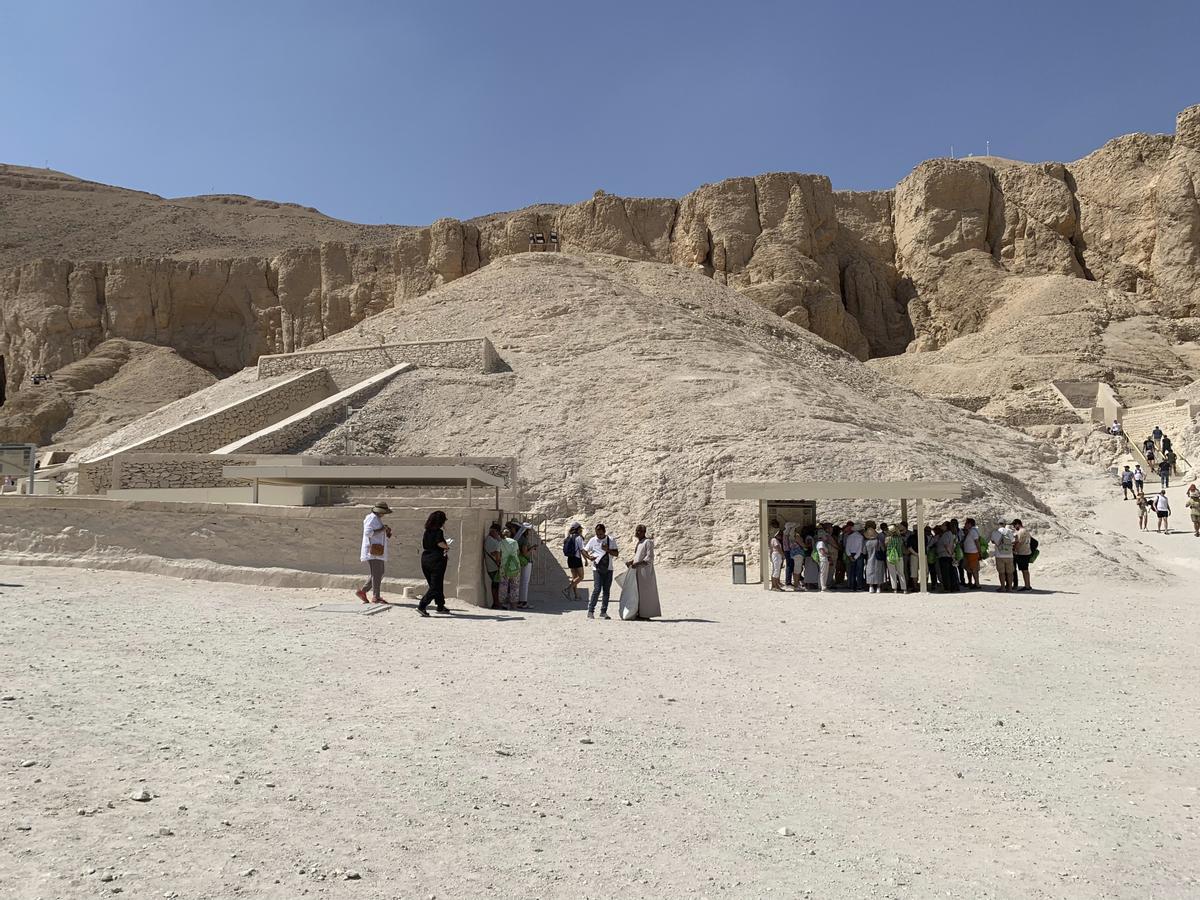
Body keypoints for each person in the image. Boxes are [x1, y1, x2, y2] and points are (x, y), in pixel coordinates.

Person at [356, 501, 393, 604]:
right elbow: (368, 533)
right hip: (372, 551)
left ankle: (363, 591)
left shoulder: (376, 519)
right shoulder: (372, 518)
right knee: (377, 573)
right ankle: (376, 596)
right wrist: (382, 529)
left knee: (378, 573)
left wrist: (386, 531)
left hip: (377, 550)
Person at [416, 510, 451, 616]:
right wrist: (447, 546)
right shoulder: (438, 532)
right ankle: (422, 606)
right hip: (436, 560)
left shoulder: (427, 531)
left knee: (436, 584)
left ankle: (440, 605)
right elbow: (439, 543)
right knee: (435, 586)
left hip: (426, 559)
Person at [624, 524, 661, 619]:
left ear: (644, 532)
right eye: (636, 531)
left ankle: (646, 614)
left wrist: (637, 564)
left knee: (645, 593)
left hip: (645, 572)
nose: (637, 533)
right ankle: (639, 613)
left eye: (639, 531)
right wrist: (631, 562)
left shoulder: (648, 542)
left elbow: (649, 558)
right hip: (637, 571)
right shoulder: (639, 543)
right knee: (638, 593)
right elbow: (638, 557)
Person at [583, 523, 619, 619]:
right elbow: (584, 550)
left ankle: (603, 611)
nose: (598, 536)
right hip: (597, 568)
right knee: (597, 589)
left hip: (608, 568)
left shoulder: (611, 540)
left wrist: (607, 550)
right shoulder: (593, 540)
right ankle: (590, 611)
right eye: (597, 534)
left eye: (600, 534)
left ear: (604, 532)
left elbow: (616, 553)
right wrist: (589, 557)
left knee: (606, 591)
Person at [512, 520, 539, 609]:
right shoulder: (523, 540)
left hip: (519, 561)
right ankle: (523, 602)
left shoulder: (518, 538)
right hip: (525, 562)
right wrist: (532, 549)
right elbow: (525, 553)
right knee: (525, 582)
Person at [496, 525, 523, 610]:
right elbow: (518, 553)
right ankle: (513, 606)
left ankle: (501, 605)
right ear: (510, 534)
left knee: (503, 586)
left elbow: (498, 555)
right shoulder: (515, 542)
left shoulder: (500, 543)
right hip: (515, 567)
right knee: (514, 587)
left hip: (504, 568)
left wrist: (499, 562)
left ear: (502, 535)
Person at [990, 520, 1016, 592]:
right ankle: (1010, 588)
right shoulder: (1009, 531)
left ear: (998, 524)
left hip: (999, 555)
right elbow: (1012, 540)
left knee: (1001, 572)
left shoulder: (995, 532)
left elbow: (992, 541)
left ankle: (1003, 587)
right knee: (1010, 572)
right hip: (1009, 555)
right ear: (1004, 524)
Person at [562, 522, 586, 601]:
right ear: (578, 529)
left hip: (570, 558)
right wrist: (586, 559)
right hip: (576, 559)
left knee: (574, 578)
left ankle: (576, 596)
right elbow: (582, 550)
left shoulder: (568, 537)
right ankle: (567, 589)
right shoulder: (578, 538)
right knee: (581, 577)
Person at [934, 523, 960, 593]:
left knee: (945, 573)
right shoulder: (949, 534)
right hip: (947, 555)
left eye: (943, 525)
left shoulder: (946, 534)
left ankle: (947, 588)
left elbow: (946, 545)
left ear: (946, 527)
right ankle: (952, 587)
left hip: (944, 555)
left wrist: (950, 553)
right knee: (950, 572)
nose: (941, 526)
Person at [1011, 519, 1035, 591]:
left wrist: (1014, 549)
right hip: (1027, 552)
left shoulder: (1020, 532)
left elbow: (1019, 543)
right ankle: (1027, 585)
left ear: (1018, 524)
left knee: (1024, 570)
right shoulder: (1026, 531)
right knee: (1025, 570)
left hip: (1022, 553)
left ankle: (1027, 586)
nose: (1014, 527)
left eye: (1014, 525)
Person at [484, 522, 503, 608]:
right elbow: (495, 554)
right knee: (495, 585)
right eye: (497, 532)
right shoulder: (490, 541)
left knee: (497, 585)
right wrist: (499, 562)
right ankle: (496, 603)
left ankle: (497, 602)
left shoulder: (493, 539)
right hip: (494, 566)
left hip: (495, 566)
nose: (498, 534)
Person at [863, 524, 886, 594]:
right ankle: (878, 588)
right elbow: (883, 549)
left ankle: (871, 587)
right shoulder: (878, 541)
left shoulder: (866, 542)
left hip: (869, 559)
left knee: (870, 572)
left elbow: (864, 552)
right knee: (879, 572)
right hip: (878, 559)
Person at [884, 525, 906, 593]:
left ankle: (895, 588)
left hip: (890, 557)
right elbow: (902, 547)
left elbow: (885, 547)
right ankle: (904, 588)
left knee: (892, 573)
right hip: (899, 556)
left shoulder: (887, 539)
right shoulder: (900, 539)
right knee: (901, 573)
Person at [843, 524, 865, 592]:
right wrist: (856, 557)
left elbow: (847, 548)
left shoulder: (849, 537)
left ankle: (852, 586)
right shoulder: (860, 537)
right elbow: (860, 548)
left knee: (852, 571)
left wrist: (850, 556)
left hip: (851, 554)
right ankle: (859, 586)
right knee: (859, 571)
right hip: (859, 555)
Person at [961, 518, 981, 589]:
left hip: (973, 553)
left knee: (974, 569)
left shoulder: (973, 531)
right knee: (970, 568)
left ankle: (977, 584)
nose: (965, 525)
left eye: (966, 523)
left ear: (970, 524)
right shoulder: (970, 531)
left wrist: (979, 552)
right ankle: (974, 583)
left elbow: (977, 542)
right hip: (969, 553)